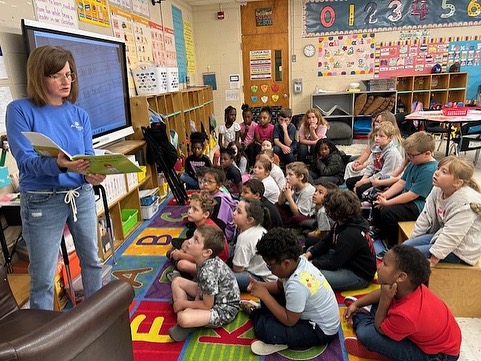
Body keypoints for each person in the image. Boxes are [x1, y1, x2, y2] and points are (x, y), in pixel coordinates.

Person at [6, 45, 104, 310]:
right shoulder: (19, 110)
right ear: (39, 77)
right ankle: (43, 339)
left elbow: (87, 159)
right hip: (41, 200)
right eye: (57, 75)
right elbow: (26, 163)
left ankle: (97, 318)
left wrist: (92, 175)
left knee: (92, 261)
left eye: (69, 74)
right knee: (43, 277)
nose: (66, 81)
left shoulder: (79, 114)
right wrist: (57, 164)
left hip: (80, 196)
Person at [344, 245, 462, 361]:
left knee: (366, 335)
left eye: (384, 264)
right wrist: (357, 304)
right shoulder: (409, 287)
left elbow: (379, 327)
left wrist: (385, 300)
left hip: (438, 356)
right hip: (428, 338)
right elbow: (383, 291)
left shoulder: (407, 314)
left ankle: (378, 350)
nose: (379, 266)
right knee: (381, 306)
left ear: (401, 277)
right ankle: (367, 313)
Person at [244, 227, 340, 356]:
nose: (269, 270)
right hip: (303, 313)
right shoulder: (297, 262)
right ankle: (262, 315)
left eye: (269, 266)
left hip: (320, 330)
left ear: (286, 263)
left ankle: (262, 320)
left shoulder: (297, 284)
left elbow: (290, 320)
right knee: (268, 299)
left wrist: (265, 295)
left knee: (264, 329)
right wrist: (260, 286)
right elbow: (279, 288)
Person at [404, 156, 481, 267]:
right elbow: (426, 216)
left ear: (457, 183)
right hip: (441, 236)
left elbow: (453, 234)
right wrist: (414, 239)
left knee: (409, 256)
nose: (437, 173)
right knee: (405, 247)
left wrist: (434, 259)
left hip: (462, 250)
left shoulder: (465, 203)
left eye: (444, 172)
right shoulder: (438, 189)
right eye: (438, 168)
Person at [168, 224, 240, 342]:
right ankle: (187, 314)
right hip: (209, 295)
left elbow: (207, 305)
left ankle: (185, 320)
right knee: (177, 281)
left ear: (207, 252)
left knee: (183, 318)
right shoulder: (201, 259)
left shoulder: (208, 272)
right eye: (192, 237)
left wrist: (183, 303)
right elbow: (202, 286)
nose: (189, 241)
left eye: (196, 240)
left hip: (222, 309)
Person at [372, 131, 438, 249]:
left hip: (419, 205)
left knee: (389, 212)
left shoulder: (429, 170)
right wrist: (385, 196)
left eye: (412, 155)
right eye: (407, 155)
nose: (409, 158)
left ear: (427, 153)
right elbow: (401, 183)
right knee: (377, 198)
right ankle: (380, 232)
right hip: (409, 197)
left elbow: (412, 195)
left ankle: (392, 246)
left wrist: (388, 202)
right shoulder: (414, 162)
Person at [304, 190, 376, 291]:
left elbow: (334, 263)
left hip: (359, 275)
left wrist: (312, 264)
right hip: (347, 261)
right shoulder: (344, 222)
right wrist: (309, 255)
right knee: (311, 249)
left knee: (311, 277)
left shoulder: (349, 234)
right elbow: (326, 242)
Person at [167, 192, 229, 279]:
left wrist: (180, 255)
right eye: (190, 207)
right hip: (204, 254)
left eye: (195, 209)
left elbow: (201, 258)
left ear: (206, 214)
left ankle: (188, 274)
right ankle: (178, 261)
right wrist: (181, 251)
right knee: (182, 242)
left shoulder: (207, 231)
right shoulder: (202, 224)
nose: (189, 211)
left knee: (182, 264)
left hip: (214, 265)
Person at [346, 122, 403, 199]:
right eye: (376, 135)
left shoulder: (392, 153)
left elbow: (384, 174)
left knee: (361, 189)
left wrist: (363, 182)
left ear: (390, 138)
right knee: (350, 182)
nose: (377, 138)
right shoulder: (377, 148)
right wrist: (362, 180)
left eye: (381, 136)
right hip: (376, 175)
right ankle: (356, 200)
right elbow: (371, 166)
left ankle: (363, 204)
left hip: (386, 180)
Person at [344, 111, 403, 180]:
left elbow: (381, 163)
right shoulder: (374, 137)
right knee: (350, 165)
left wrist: (363, 166)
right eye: (377, 121)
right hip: (372, 162)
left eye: (381, 122)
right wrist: (359, 162)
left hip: (382, 167)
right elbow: (367, 152)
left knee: (363, 172)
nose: (377, 124)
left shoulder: (393, 143)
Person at [232, 198, 276, 291]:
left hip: (262, 280)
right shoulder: (259, 228)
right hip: (270, 276)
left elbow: (238, 268)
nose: (234, 213)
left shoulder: (245, 237)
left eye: (239, 212)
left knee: (224, 279)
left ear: (250, 220)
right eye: (235, 209)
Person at [201, 167, 237, 242]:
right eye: (204, 180)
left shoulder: (220, 201)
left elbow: (220, 224)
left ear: (218, 185)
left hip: (223, 234)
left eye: (210, 182)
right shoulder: (209, 193)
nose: (205, 184)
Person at [277, 161, 315, 227]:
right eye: (286, 174)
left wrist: (289, 197)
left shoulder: (308, 191)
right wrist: (283, 192)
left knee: (296, 218)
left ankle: (283, 226)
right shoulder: (294, 185)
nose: (287, 177)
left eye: (290, 175)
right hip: (294, 212)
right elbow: (280, 203)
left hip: (307, 217)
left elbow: (298, 214)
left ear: (301, 177)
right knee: (276, 205)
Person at [303, 181, 337, 250]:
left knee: (308, 240)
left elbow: (324, 234)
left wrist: (310, 234)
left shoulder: (322, 212)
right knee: (309, 225)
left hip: (330, 237)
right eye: (316, 191)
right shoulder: (318, 206)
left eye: (320, 192)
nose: (315, 193)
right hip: (323, 229)